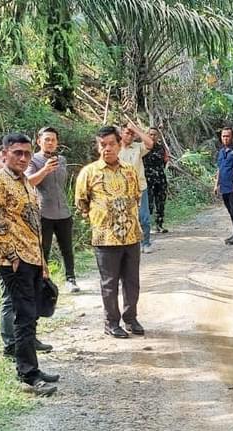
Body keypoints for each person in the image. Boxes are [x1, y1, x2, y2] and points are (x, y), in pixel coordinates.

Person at [0, 133, 60, 396]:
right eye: (18, 153)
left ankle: (33, 369)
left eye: (27, 153)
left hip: (32, 257)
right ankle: (28, 375)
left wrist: (42, 261)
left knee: (31, 314)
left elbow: (32, 224)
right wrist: (11, 256)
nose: (23, 158)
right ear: (5, 153)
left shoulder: (25, 182)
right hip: (13, 261)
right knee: (23, 316)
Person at [75, 126, 145, 339]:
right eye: (102, 145)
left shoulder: (129, 170)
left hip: (131, 235)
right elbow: (81, 202)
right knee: (109, 283)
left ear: (119, 144)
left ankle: (131, 318)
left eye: (111, 144)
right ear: (98, 147)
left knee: (132, 281)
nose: (107, 149)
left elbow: (136, 197)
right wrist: (100, 219)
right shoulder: (89, 172)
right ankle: (111, 322)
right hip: (105, 238)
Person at [25, 127, 79, 293]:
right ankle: (43, 283)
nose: (50, 142)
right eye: (46, 139)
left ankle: (71, 279)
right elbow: (28, 182)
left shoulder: (61, 159)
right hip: (43, 212)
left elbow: (62, 184)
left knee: (67, 248)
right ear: (39, 141)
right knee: (43, 249)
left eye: (53, 140)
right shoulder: (33, 160)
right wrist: (45, 169)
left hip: (63, 211)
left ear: (57, 143)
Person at [119, 122, 154, 253]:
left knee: (144, 217)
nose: (130, 136)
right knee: (126, 217)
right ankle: (130, 244)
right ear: (121, 133)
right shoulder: (116, 149)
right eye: (127, 133)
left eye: (132, 134)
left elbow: (150, 143)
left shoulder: (138, 147)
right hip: (122, 189)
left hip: (140, 187)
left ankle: (146, 243)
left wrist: (136, 129)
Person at [213, 126, 233, 245]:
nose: (225, 138)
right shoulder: (221, 152)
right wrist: (216, 185)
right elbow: (219, 169)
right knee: (231, 212)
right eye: (223, 136)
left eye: (227, 136)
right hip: (224, 188)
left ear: (232, 137)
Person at [144, 127, 170, 233]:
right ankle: (146, 226)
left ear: (158, 136)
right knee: (148, 203)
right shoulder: (143, 148)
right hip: (147, 179)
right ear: (147, 135)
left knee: (160, 202)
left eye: (155, 134)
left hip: (160, 179)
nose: (153, 136)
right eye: (150, 134)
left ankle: (159, 225)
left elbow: (165, 162)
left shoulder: (161, 148)